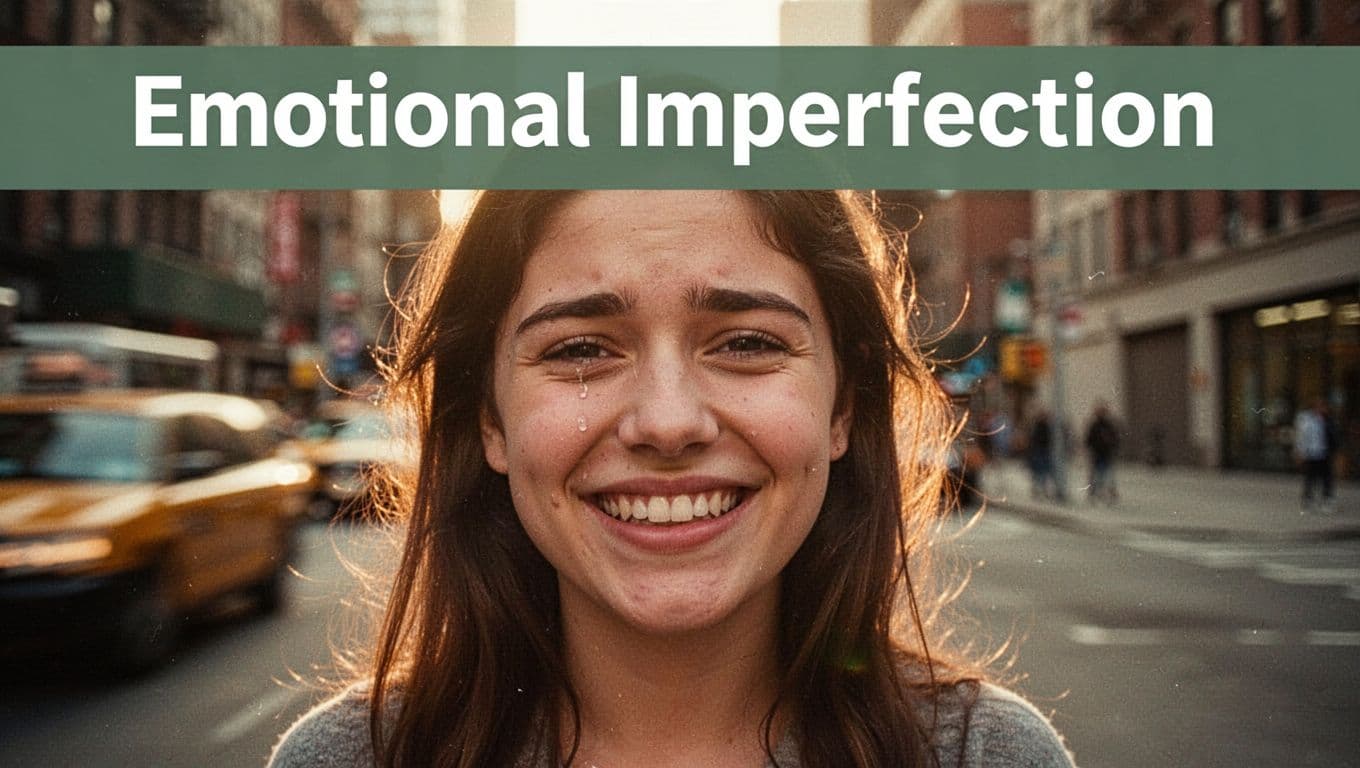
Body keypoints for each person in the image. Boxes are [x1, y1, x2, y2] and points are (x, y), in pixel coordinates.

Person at [267, 191, 1073, 767]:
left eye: (748, 342)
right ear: (490, 421)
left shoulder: (984, 756)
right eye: (581, 350)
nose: (667, 422)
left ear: (843, 409)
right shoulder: (345, 758)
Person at [1294, 398, 1336, 512]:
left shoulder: (1327, 420)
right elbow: (1301, 437)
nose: (1323, 410)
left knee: (1326, 478)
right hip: (1312, 453)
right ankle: (1308, 499)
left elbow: (1332, 436)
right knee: (1310, 478)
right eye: (1320, 407)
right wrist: (1300, 452)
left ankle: (1327, 499)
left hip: (1324, 453)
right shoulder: (1307, 419)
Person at [1083, 403, 1120, 504]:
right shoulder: (1095, 425)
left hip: (1105, 454)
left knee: (1106, 474)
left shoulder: (1108, 425)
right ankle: (1096, 492)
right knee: (1098, 474)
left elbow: (1115, 439)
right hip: (1097, 454)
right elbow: (1088, 439)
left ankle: (1106, 492)